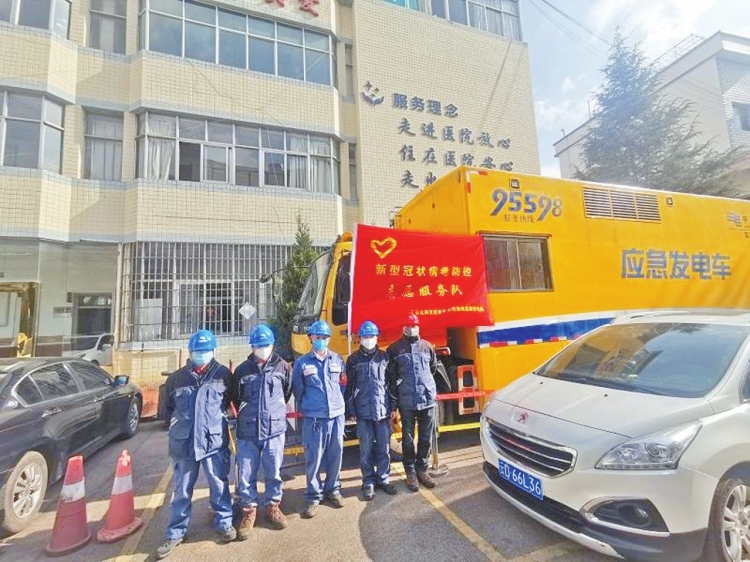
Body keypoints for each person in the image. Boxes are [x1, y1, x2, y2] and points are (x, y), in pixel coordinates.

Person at [156, 330, 235, 560]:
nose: (202, 355)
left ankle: (224, 522)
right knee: (181, 489)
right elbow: (168, 409)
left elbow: (229, 400)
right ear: (190, 352)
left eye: (206, 351)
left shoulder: (223, 374)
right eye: (198, 351)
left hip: (213, 441)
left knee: (219, 484)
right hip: (185, 444)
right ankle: (175, 532)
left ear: (213, 351)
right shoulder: (176, 379)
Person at [231, 324, 292, 540]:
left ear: (273, 345)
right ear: (252, 347)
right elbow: (236, 398)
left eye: (266, 345)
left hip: (274, 429)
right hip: (248, 431)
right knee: (247, 474)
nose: (262, 349)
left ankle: (273, 506)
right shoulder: (242, 371)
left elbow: (286, 392)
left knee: (274, 471)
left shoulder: (283, 367)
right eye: (258, 346)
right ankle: (249, 511)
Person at [292, 320, 347, 518]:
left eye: (324, 337)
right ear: (311, 338)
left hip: (336, 415)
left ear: (329, 339)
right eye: (317, 337)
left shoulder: (338, 360)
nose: (321, 340)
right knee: (313, 457)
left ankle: (333, 489)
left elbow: (342, 385)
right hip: (314, 418)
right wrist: (312, 405)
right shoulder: (302, 363)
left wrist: (336, 403)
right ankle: (314, 495)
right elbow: (298, 390)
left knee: (336, 454)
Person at [345, 321, 398, 501]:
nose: (369, 340)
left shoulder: (384, 357)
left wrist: (393, 406)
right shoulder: (353, 360)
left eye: (372, 336)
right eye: (365, 336)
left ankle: (383, 479)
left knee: (384, 448)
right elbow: (349, 388)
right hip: (363, 413)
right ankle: (368, 481)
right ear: (360, 338)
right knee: (365, 450)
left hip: (382, 411)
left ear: (377, 337)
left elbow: (391, 384)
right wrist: (351, 411)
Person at [386, 313, 438, 492]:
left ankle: (422, 470)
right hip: (406, 401)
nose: (411, 329)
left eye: (413, 325)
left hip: (427, 399)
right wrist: (393, 404)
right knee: (407, 440)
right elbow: (391, 379)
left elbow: (432, 369)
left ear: (418, 326)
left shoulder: (427, 347)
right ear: (402, 328)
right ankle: (410, 472)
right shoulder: (394, 350)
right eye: (407, 326)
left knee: (425, 437)